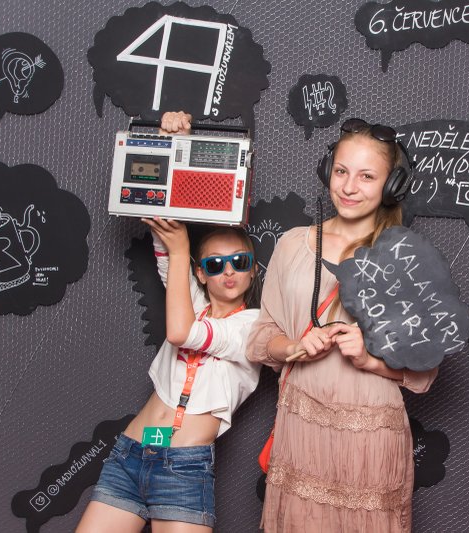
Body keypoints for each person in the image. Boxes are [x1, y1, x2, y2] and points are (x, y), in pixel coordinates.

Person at [246, 118, 438, 532]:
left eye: (367, 176)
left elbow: (424, 372)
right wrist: (294, 347)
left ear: (392, 186)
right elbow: (261, 337)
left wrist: (370, 359)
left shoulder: (407, 260)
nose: (349, 187)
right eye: (341, 171)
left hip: (371, 438)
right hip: (303, 430)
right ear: (327, 172)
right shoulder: (293, 244)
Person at [77, 112, 261, 533]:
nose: (228, 271)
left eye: (239, 261)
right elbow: (165, 232)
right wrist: (174, 142)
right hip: (132, 452)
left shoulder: (254, 328)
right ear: (200, 273)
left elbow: (182, 333)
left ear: (253, 270)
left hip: (183, 467)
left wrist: (181, 250)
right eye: (214, 264)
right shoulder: (190, 300)